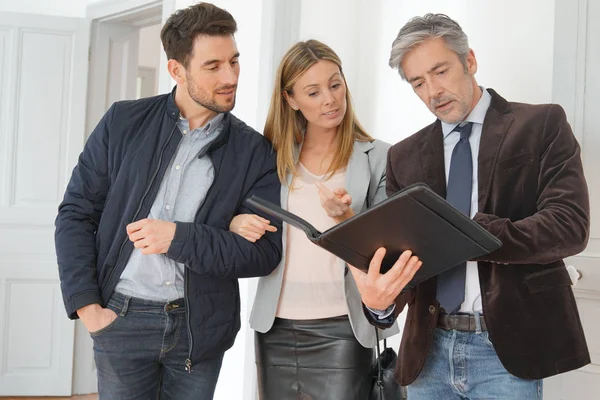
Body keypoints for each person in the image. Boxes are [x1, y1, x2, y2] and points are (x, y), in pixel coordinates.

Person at [350, 13, 590, 400]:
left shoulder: (541, 124)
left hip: (506, 351)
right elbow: (404, 262)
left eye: (440, 71)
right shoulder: (404, 157)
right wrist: (380, 305)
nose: (433, 91)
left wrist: (472, 233)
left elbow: (569, 225)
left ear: (470, 61)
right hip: (428, 352)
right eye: (418, 83)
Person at [54, 3, 282, 399]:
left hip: (200, 329)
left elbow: (263, 254)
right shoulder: (123, 123)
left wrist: (180, 237)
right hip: (120, 318)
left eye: (234, 61)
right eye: (213, 66)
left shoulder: (254, 151)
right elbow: (75, 214)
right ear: (177, 70)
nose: (230, 77)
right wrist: (88, 307)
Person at [228, 40, 422, 399]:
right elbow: (235, 208)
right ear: (290, 99)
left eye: (335, 84)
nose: (330, 99)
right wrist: (235, 223)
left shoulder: (380, 156)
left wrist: (346, 217)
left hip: (344, 326)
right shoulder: (270, 156)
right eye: (313, 92)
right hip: (275, 327)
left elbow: (388, 249)